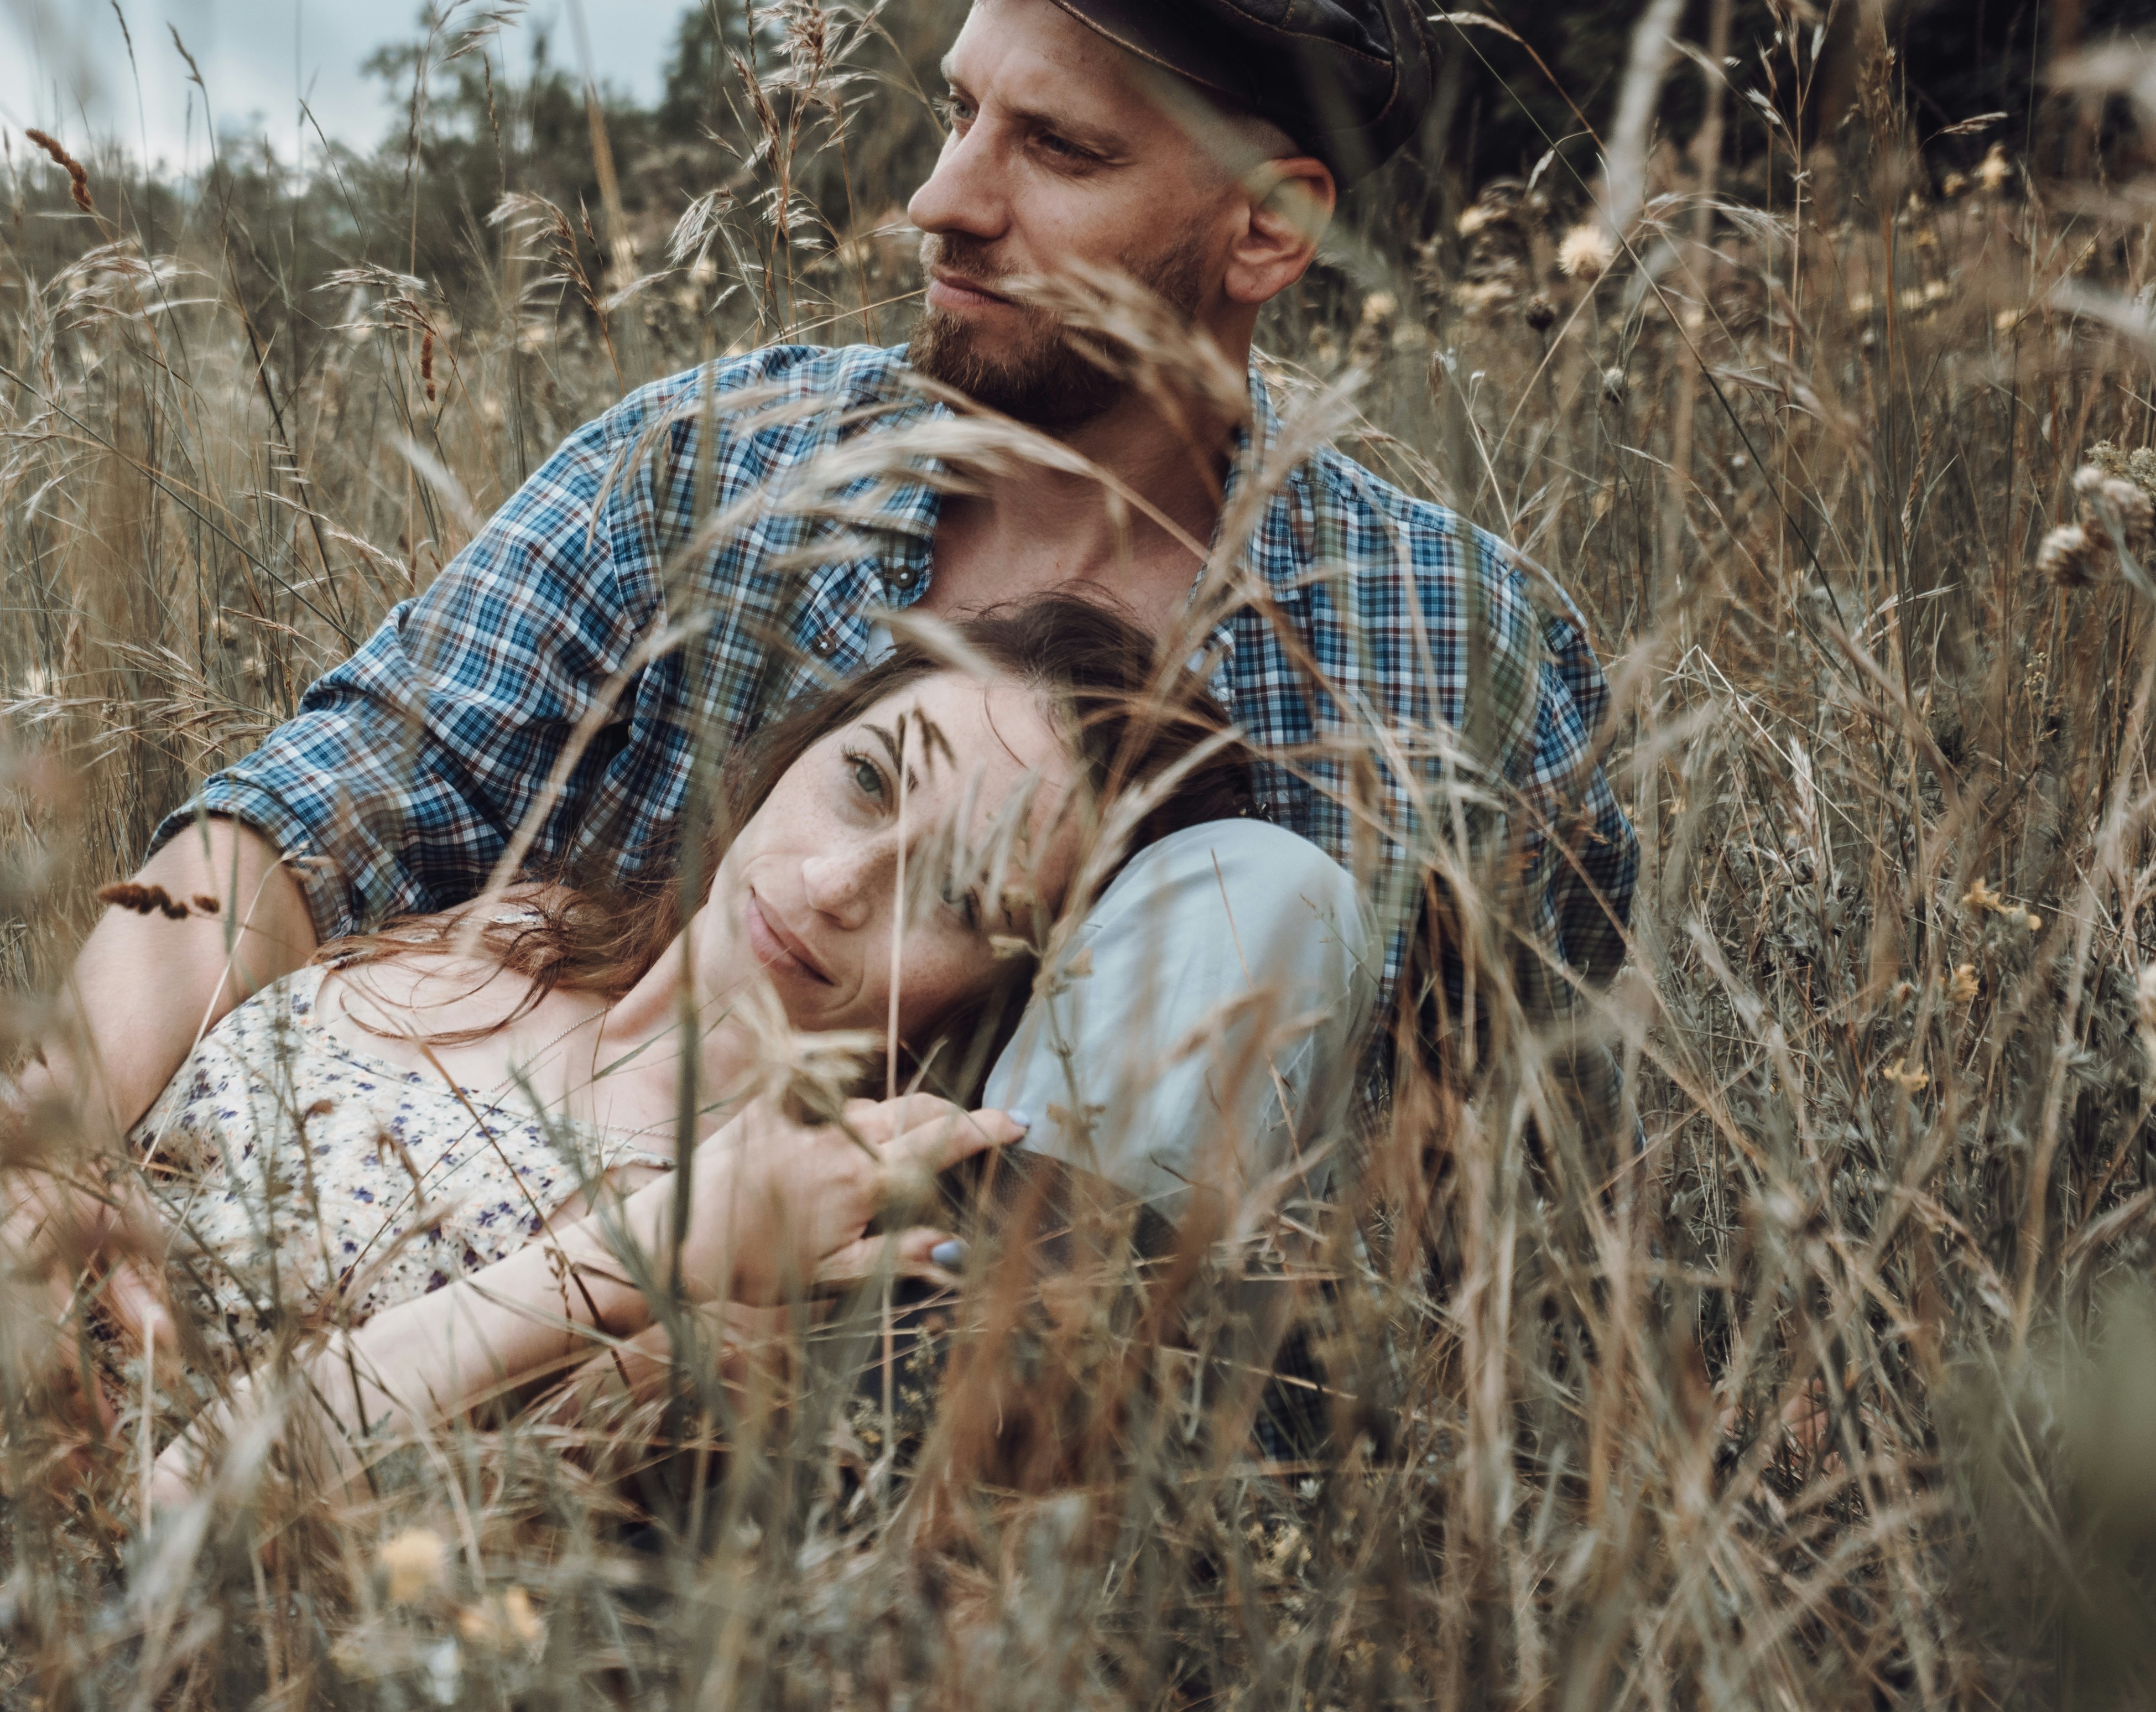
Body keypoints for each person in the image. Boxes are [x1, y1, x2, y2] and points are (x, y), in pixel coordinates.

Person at [55, 0, 1633, 1345]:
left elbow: (1522, 1216)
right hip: (477, 1336)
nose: (945, 201)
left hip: (1044, 1455)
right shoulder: (713, 466)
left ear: (1273, 230)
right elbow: (311, 813)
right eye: (961, 114)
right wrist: (55, 1153)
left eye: (1059, 152)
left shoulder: (1452, 648)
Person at [128, 595, 1329, 1506]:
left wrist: (668, 1241)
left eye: (957, 896)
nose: (839, 881)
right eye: (866, 781)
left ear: (1006, 990)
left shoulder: (783, 1256)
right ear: (800, 744)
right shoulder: (512, 923)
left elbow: (191, 1496)